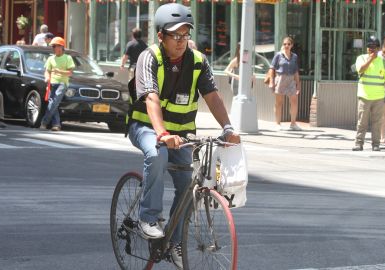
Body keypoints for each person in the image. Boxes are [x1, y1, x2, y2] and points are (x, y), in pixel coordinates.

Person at [126, 3, 240, 269]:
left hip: (183, 133)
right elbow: (151, 97)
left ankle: (176, 242)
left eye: (185, 34)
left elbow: (212, 96)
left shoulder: (198, 60)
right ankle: (148, 218)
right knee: (157, 154)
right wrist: (162, 132)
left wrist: (228, 128)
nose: (180, 41)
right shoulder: (149, 57)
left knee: (188, 183)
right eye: (175, 35)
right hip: (145, 127)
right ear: (161, 36)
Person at [352, 36, 385, 151]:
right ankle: (359, 143)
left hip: (379, 97)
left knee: (377, 123)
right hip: (364, 96)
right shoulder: (361, 58)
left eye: (374, 47)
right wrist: (370, 59)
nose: (371, 49)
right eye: (369, 47)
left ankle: (376, 144)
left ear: (378, 49)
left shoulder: (384, 62)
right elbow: (360, 69)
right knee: (362, 122)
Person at [40, 37, 75, 131]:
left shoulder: (68, 58)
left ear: (61, 47)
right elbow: (47, 71)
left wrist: (60, 71)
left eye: (55, 46)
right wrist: (47, 77)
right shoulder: (51, 58)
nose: (53, 48)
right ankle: (56, 124)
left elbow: (70, 73)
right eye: (53, 46)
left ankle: (44, 122)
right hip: (52, 83)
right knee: (53, 104)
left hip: (62, 83)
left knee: (54, 102)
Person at [268, 36, 302, 131]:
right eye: (284, 44)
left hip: (291, 80)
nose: (286, 46)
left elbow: (296, 71)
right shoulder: (278, 55)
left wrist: (298, 84)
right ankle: (277, 123)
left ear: (292, 45)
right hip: (280, 78)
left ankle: (293, 124)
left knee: (294, 101)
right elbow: (272, 68)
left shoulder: (294, 56)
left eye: (288, 44)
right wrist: (271, 81)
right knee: (279, 103)